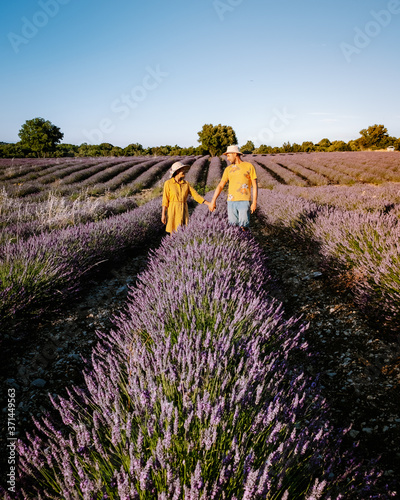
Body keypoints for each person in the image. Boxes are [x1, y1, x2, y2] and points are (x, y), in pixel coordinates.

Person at [209, 145, 258, 229]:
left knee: (244, 226)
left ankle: (245, 241)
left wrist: (254, 202)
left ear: (235, 154)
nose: (227, 158)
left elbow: (255, 185)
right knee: (233, 227)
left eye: (228, 155)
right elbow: (221, 185)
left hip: (244, 201)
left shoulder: (249, 166)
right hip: (231, 202)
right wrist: (213, 200)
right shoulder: (228, 169)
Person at [162, 161, 212, 233]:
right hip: (173, 210)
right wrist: (163, 215)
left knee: (182, 231)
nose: (184, 171)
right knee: (173, 233)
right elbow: (165, 200)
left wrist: (208, 203)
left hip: (183, 209)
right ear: (177, 171)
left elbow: (196, 196)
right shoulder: (168, 183)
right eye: (183, 169)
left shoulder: (186, 184)